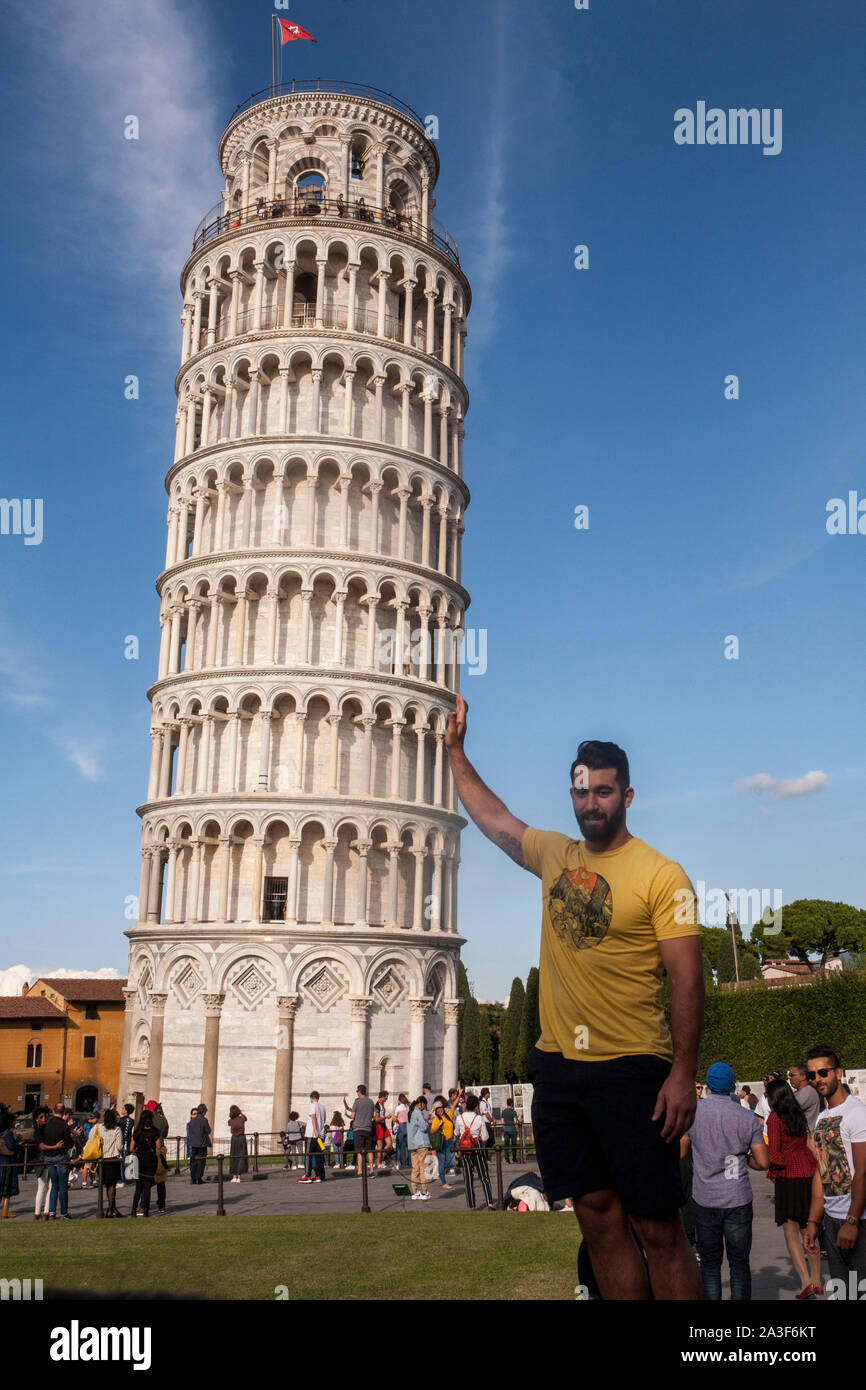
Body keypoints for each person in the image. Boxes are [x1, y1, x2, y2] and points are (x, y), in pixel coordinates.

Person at [446, 697, 704, 1300]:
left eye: (605, 792)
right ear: (572, 794)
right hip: (559, 1069)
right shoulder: (555, 855)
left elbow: (687, 981)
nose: (592, 803)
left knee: (658, 1227)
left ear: (627, 796)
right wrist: (457, 752)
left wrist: (682, 1071)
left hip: (634, 1066)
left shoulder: (663, 875)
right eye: (582, 792)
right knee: (596, 1219)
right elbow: (495, 819)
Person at [682, 1063, 768, 1300]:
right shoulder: (746, 1117)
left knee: (710, 1267)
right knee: (739, 1265)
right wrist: (745, 1160)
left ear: (708, 1086)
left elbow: (680, 1151)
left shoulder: (694, 1113)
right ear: (732, 1086)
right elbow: (763, 1161)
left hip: (706, 1198)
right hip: (737, 1198)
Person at [803, 1045, 866, 1292]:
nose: (818, 1079)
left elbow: (863, 1171)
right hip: (831, 1222)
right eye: (812, 1075)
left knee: (860, 1292)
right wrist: (812, 1221)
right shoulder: (822, 1117)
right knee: (843, 1293)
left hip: (858, 1221)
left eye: (823, 1072)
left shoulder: (857, 1113)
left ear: (838, 1073)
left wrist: (852, 1221)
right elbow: (822, 1172)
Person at [764, 1078, 820, 1298]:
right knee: (810, 1228)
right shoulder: (798, 1114)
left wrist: (769, 1171)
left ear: (773, 1097)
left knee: (791, 1231)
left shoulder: (774, 1119)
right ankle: (816, 1279)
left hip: (788, 1176)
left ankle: (805, 1280)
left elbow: (775, 1154)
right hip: (807, 1171)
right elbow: (807, 1142)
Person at [455, 1094, 494, 1209]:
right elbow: (485, 1137)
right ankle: (489, 1202)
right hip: (477, 1146)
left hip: (465, 1147)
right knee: (484, 1176)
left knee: (468, 1177)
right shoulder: (479, 1118)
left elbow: (456, 1134)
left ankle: (471, 1205)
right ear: (476, 1106)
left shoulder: (459, 1118)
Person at [89, 1108, 125, 1217]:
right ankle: (110, 1209)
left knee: (105, 1184)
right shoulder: (117, 1129)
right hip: (113, 1159)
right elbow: (119, 1146)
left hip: (101, 1159)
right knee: (112, 1185)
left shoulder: (97, 1127)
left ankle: (111, 1208)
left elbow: (90, 1140)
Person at [41, 1102, 73, 1219]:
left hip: (49, 1157)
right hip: (60, 1157)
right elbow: (69, 1143)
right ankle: (64, 1212)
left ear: (54, 1111)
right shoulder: (64, 1125)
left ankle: (52, 1212)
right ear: (64, 1113)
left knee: (54, 1185)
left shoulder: (48, 1124)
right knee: (63, 1186)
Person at [130, 1110, 159, 1217]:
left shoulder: (137, 1131)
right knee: (147, 1186)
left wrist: (137, 1149)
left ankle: (133, 1210)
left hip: (139, 1159)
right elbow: (158, 1146)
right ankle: (146, 1210)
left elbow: (131, 1148)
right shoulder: (155, 1131)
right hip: (150, 1159)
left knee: (138, 1187)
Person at [346, 1085, 375, 1178]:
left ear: (359, 1092)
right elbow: (373, 1115)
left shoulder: (357, 1102)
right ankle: (371, 1170)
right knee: (369, 1150)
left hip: (359, 1128)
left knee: (359, 1151)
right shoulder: (371, 1102)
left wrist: (350, 1115)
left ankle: (360, 1171)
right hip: (368, 1128)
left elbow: (353, 1116)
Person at [407, 1096, 432, 1200]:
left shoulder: (411, 1112)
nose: (423, 1108)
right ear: (421, 1103)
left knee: (415, 1169)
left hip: (412, 1144)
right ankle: (424, 1192)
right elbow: (423, 1127)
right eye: (424, 1106)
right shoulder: (418, 1112)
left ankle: (414, 1192)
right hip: (421, 1143)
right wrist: (427, 1122)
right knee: (423, 1168)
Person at [300, 1091, 326, 1183]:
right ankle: (318, 1176)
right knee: (318, 1156)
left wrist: (315, 1129)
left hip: (311, 1134)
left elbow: (313, 1116)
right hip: (320, 1135)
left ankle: (308, 1176)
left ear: (311, 1098)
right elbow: (324, 1120)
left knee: (308, 1155)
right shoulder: (322, 1107)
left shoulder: (312, 1105)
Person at [0, 1106, 21, 1219]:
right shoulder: (8, 1133)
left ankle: (4, 1210)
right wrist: (18, 1144)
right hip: (7, 1161)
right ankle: (5, 1210)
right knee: (7, 1187)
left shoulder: (1, 1132)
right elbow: (11, 1145)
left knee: (1, 1186)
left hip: (1, 1161)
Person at [788, 1063, 821, 1132]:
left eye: (792, 1075)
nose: (789, 1077)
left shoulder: (808, 1092)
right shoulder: (798, 1092)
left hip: (806, 1136)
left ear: (803, 1076)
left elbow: (788, 1110)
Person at [32, 1108, 51, 1221]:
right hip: (43, 1160)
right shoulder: (38, 1131)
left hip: (46, 1159)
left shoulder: (45, 1129)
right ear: (36, 1119)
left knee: (49, 1187)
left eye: (45, 1116)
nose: (44, 1119)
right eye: (41, 1117)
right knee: (43, 1187)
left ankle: (44, 1212)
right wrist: (54, 1147)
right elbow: (41, 1146)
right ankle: (39, 1212)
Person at [430, 1100, 454, 1186]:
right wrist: (439, 1125)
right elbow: (432, 1131)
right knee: (442, 1162)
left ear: (443, 1108)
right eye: (437, 1110)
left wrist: (458, 1097)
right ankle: (444, 1182)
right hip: (442, 1142)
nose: (439, 1110)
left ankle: (440, 1170)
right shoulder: (436, 1119)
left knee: (452, 1162)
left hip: (450, 1141)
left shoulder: (448, 1116)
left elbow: (453, 1107)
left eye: (440, 1108)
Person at [188, 1104, 211, 1184]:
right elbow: (208, 1130)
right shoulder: (204, 1120)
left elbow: (190, 1130)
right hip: (202, 1143)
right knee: (201, 1161)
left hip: (193, 1143)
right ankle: (198, 1177)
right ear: (204, 1112)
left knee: (194, 1161)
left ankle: (193, 1177)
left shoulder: (192, 1120)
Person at [228, 1106, 248, 1183]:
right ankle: (239, 1176)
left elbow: (229, 1123)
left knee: (233, 1156)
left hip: (234, 1139)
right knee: (241, 1156)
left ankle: (234, 1176)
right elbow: (245, 1118)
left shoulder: (231, 1121)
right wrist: (240, 1112)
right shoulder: (242, 1119)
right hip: (242, 1138)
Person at [117, 1103, 135, 1186]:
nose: (122, 1109)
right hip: (127, 1142)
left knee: (121, 1161)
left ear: (126, 1111)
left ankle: (122, 1179)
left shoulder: (121, 1120)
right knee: (126, 1160)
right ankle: (127, 1178)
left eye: (124, 1108)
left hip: (122, 1142)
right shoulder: (131, 1121)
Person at [374, 1092, 393, 1171]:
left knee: (389, 1143)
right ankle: (378, 1163)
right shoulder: (377, 1106)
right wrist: (386, 1117)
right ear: (381, 1097)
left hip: (383, 1125)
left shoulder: (382, 1105)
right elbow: (376, 1119)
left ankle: (381, 1159)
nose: (386, 1099)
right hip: (378, 1126)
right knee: (380, 1146)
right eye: (386, 1097)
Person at [393, 1093, 410, 1169]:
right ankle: (409, 1162)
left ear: (399, 1100)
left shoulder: (398, 1107)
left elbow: (395, 1118)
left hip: (401, 1126)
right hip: (408, 1126)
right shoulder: (408, 1107)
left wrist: (396, 1120)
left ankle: (401, 1162)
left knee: (400, 1145)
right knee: (408, 1146)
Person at [501, 1097, 518, 1164]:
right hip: (513, 1130)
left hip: (506, 1130)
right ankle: (514, 1159)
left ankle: (507, 1159)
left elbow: (502, 1122)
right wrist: (517, 1129)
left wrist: (504, 1128)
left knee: (506, 1145)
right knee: (514, 1145)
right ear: (511, 1104)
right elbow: (515, 1121)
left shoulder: (504, 1112)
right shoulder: (513, 1112)